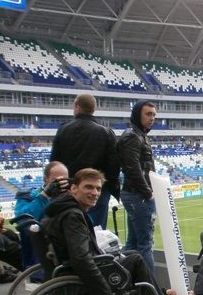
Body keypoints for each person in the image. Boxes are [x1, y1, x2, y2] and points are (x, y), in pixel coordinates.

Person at [41, 168, 182, 295]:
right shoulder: (73, 215)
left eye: (98, 189)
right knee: (136, 260)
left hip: (66, 270)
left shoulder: (62, 209)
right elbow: (81, 259)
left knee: (130, 253)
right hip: (77, 275)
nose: (95, 193)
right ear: (73, 188)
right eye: (89, 187)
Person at [50, 93, 120, 229]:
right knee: (96, 232)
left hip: (70, 188)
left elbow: (54, 162)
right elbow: (113, 165)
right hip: (96, 189)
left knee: (70, 229)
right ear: (93, 109)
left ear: (78, 108)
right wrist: (113, 189)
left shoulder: (63, 130)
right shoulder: (105, 132)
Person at [117, 100, 157, 274]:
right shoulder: (133, 136)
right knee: (145, 244)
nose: (152, 118)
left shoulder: (139, 135)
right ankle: (150, 285)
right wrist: (147, 193)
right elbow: (132, 167)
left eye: (154, 115)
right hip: (138, 195)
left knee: (133, 243)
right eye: (148, 114)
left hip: (136, 194)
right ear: (137, 114)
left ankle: (125, 279)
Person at [14, 161, 70, 268]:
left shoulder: (70, 196)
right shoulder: (28, 196)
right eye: (55, 180)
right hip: (38, 257)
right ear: (45, 179)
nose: (60, 183)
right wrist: (44, 196)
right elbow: (22, 220)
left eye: (64, 180)